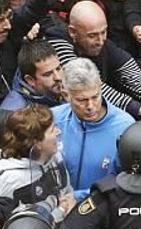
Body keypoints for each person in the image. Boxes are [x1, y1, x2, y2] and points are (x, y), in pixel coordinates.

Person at [48, 0, 141, 130]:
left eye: (104, 32)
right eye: (92, 35)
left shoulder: (106, 45)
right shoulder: (57, 43)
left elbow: (137, 80)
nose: (100, 41)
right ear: (73, 32)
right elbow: (87, 85)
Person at [52, 57, 134, 200]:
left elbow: (129, 181)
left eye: (95, 97)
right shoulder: (53, 119)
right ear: (66, 95)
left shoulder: (125, 126)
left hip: (103, 210)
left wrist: (78, 197)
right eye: (82, 100)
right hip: (60, 208)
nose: (90, 106)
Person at [0, 105, 75, 224]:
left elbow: (67, 190)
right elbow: (21, 228)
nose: (58, 132)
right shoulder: (11, 181)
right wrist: (61, 212)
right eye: (52, 130)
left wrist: (70, 202)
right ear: (37, 143)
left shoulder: (56, 157)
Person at [0, 41, 65, 110]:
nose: (58, 77)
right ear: (30, 80)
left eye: (58, 69)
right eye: (48, 74)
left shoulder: (68, 91)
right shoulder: (16, 112)